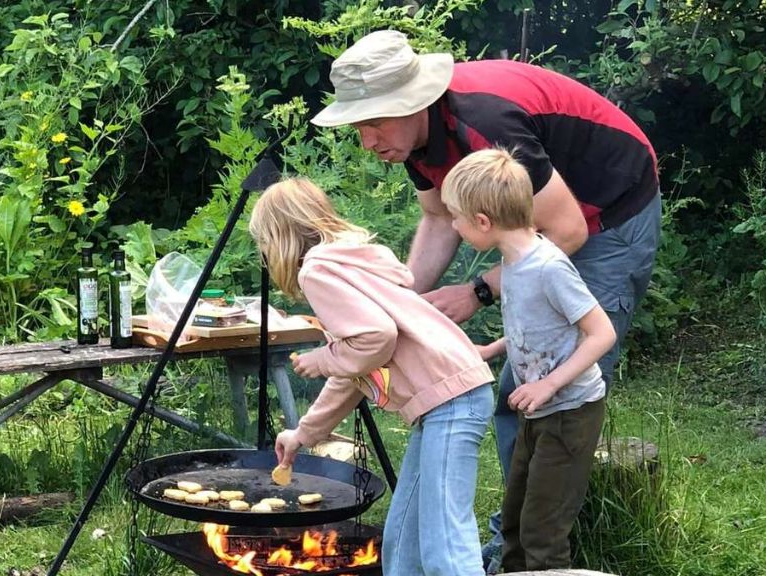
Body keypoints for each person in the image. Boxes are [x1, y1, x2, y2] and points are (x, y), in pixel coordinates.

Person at [311, 29, 662, 569]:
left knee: (555, 394)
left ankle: (538, 551)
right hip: (551, 229)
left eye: (375, 121)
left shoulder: (488, 125)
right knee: (517, 390)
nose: (367, 140)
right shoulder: (415, 141)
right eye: (360, 126)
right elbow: (435, 218)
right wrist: (395, 300)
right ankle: (515, 542)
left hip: (609, 212)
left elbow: (566, 232)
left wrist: (477, 290)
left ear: (415, 103)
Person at [249, 177, 495, 576]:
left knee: (444, 540)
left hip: (450, 399)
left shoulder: (317, 271)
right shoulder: (350, 261)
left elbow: (376, 338)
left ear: (279, 237)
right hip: (446, 399)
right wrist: (304, 434)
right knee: (404, 540)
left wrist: (323, 358)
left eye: (263, 243)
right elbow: (357, 366)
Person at [441, 148, 615, 571]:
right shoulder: (514, 261)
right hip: (538, 413)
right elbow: (538, 324)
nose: (452, 225)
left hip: (570, 413)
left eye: (456, 217)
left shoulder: (548, 267)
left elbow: (602, 332)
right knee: (516, 522)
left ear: (483, 222)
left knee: (543, 533)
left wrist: (548, 384)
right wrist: (494, 349)